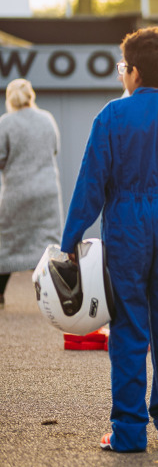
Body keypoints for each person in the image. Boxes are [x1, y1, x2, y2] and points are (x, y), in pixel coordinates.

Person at [61, 27, 158, 452]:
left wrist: (71, 239)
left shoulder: (111, 115)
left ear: (134, 71)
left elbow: (90, 183)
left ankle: (127, 432)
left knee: (127, 328)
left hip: (126, 226)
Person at [0, 79, 64, 309]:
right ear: (31, 95)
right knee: (47, 243)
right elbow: (55, 148)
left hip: (17, 192)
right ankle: (59, 293)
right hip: (46, 192)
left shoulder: (5, 123)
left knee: (7, 243)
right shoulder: (47, 119)